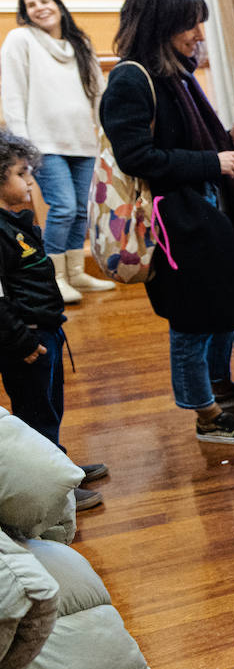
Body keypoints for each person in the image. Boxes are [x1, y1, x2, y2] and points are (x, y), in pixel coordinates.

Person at [99, 0, 234, 445]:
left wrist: (229, 145)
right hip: (173, 224)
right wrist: (212, 159)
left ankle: (218, 389)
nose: (198, 34)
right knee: (191, 320)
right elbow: (138, 157)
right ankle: (206, 415)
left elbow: (187, 149)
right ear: (158, 24)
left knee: (220, 308)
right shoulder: (131, 80)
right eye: (188, 24)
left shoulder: (177, 76)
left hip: (201, 214)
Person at [0, 130, 104, 509]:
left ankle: (59, 465)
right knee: (34, 413)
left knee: (51, 404)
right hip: (25, 341)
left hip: (45, 330)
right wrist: (21, 341)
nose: (30, 181)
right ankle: (54, 492)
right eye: (22, 173)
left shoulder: (17, 222)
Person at [1, 0, 114, 304]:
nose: (39, 7)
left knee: (81, 210)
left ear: (58, 4)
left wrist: (106, 136)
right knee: (63, 207)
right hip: (43, 144)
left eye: (44, 0)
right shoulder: (21, 40)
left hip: (82, 142)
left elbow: (98, 94)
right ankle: (54, 277)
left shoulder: (80, 44)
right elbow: (12, 92)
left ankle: (76, 271)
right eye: (31, 4)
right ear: (26, 14)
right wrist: (22, 147)